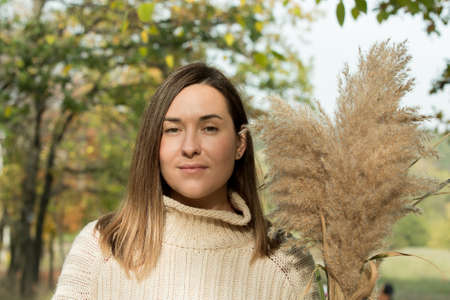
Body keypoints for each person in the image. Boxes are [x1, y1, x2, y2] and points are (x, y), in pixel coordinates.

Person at [52, 62, 318, 299]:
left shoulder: (287, 263)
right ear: (154, 143)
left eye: (209, 128)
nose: (190, 147)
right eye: (173, 130)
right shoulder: (101, 248)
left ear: (240, 144)